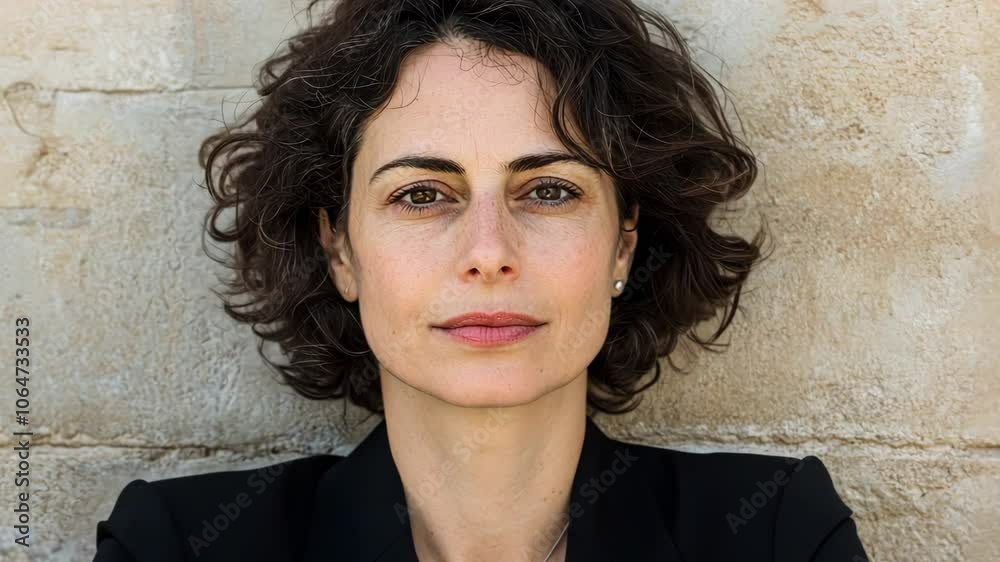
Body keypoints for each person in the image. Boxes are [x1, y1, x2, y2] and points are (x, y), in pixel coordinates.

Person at [93, 0, 870, 560]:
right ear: (340, 250)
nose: (489, 252)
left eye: (550, 190)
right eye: (421, 195)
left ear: (624, 243)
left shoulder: (778, 536)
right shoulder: (178, 545)